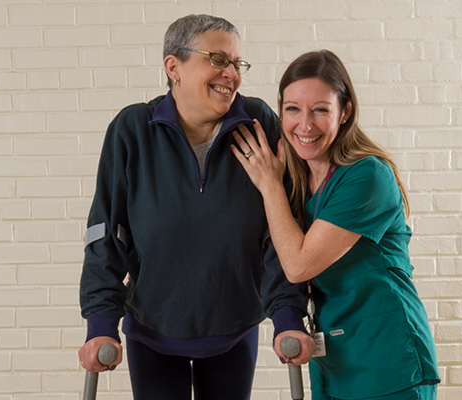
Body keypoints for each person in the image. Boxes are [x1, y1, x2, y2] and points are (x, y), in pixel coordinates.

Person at [76, 14, 309, 399]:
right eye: (217, 60)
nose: (231, 73)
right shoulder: (134, 129)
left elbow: (278, 231)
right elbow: (105, 233)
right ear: (174, 67)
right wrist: (101, 323)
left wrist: (287, 315)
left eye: (236, 63)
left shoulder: (257, 123)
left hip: (233, 328)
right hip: (152, 328)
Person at [231, 50, 440, 400]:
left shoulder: (368, 176)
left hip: (387, 358)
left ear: (345, 112)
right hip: (334, 360)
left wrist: (268, 185)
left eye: (321, 110)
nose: (305, 125)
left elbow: (298, 265)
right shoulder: (297, 182)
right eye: (293, 109)